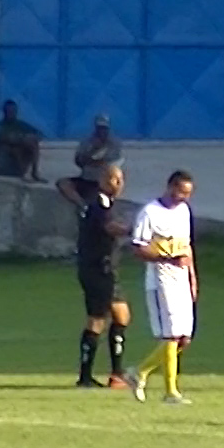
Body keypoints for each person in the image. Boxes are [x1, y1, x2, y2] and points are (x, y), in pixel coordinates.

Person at [126, 170, 196, 405]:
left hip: (181, 278)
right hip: (161, 280)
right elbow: (138, 248)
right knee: (171, 335)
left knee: (184, 338)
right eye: (181, 192)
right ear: (170, 187)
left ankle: (140, 372)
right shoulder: (149, 213)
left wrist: (192, 277)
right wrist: (166, 259)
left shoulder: (184, 211)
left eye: (188, 194)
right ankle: (171, 392)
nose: (184, 198)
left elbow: (186, 247)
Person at [74, 163, 132, 390]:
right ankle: (86, 376)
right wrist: (135, 230)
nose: (117, 184)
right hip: (97, 269)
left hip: (107, 270)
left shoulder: (107, 204)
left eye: (120, 180)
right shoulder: (98, 204)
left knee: (122, 316)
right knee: (98, 319)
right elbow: (110, 228)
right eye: (112, 179)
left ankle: (116, 374)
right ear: (102, 181)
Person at [69, 115, 123, 202]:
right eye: (100, 128)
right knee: (64, 184)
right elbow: (78, 161)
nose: (102, 131)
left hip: (105, 181)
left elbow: (113, 164)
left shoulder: (114, 144)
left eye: (104, 128)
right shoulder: (87, 142)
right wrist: (92, 152)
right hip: (87, 178)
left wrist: (93, 161)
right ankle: (80, 202)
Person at [0, 100, 44, 181]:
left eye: (13, 111)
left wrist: (28, 137)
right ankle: (23, 175)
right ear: (4, 112)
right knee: (15, 147)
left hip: (20, 162)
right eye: (9, 111)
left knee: (32, 142)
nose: (11, 113)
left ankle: (34, 172)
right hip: (4, 165)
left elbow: (39, 134)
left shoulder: (20, 125)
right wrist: (19, 139)